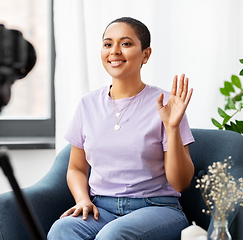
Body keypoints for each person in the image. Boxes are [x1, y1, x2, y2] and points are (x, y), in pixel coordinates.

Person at [47, 17, 195, 240]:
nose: (114, 51)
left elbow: (181, 183)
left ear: (146, 54)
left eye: (125, 44)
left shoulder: (167, 104)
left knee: (112, 235)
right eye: (108, 44)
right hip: (102, 210)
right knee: (62, 229)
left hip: (156, 209)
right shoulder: (87, 104)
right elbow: (76, 168)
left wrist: (172, 127)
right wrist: (82, 200)